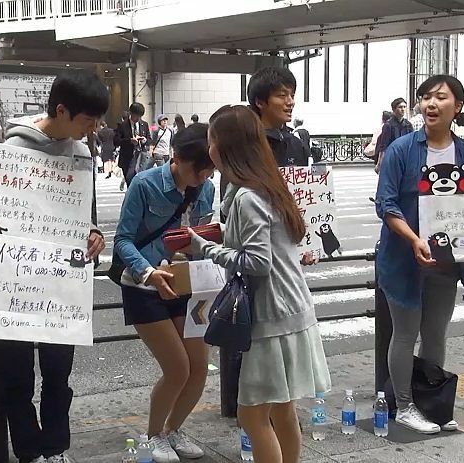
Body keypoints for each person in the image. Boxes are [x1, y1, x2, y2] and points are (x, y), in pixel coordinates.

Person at [0, 69, 109, 463]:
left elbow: (86, 216)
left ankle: (56, 449)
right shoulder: (12, 150)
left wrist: (95, 234)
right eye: (87, 121)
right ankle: (31, 453)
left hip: (62, 283)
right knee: (17, 377)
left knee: (58, 375)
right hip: (17, 281)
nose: (92, 130)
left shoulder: (82, 154)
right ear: (62, 111)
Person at [190, 105, 330, 463]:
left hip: (272, 316)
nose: (209, 150)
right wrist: (220, 235)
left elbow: (257, 263)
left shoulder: (249, 197)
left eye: (212, 141)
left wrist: (207, 248)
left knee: (252, 414)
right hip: (293, 309)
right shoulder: (265, 187)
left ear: (225, 148)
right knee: (282, 410)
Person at [375, 74, 464, 435]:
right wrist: (413, 240)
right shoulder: (402, 149)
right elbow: (387, 204)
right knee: (405, 333)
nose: (430, 104)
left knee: (436, 333)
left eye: (440, 97)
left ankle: (432, 402)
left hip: (447, 260)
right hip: (404, 258)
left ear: (457, 106)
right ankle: (405, 407)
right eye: (425, 97)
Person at [114, 123, 215, 463]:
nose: (202, 176)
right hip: (144, 285)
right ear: (176, 157)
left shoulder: (207, 188)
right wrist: (148, 271)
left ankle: (174, 429)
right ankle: (153, 435)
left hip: (186, 283)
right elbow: (123, 240)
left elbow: (203, 236)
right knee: (177, 368)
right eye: (196, 169)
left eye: (208, 169)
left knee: (199, 365)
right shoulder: (145, 184)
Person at [241, 66, 316, 266]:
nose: (290, 102)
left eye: (292, 95)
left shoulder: (295, 144)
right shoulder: (244, 145)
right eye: (282, 95)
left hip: (288, 251)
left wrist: (305, 246)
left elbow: (302, 199)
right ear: (259, 101)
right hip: (255, 251)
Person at [114, 102, 150, 189]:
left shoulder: (144, 124)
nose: (138, 118)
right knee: (130, 182)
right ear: (131, 113)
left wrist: (144, 140)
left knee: (140, 182)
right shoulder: (122, 125)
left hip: (141, 157)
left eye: (140, 116)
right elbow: (116, 141)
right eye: (136, 116)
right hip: (127, 158)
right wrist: (129, 141)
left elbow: (149, 139)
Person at [375, 97, 413, 173]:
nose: (403, 109)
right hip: (392, 158)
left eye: (404, 107)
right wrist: (379, 163)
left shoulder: (408, 124)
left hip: (405, 158)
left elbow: (412, 143)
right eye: (400, 107)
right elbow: (383, 146)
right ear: (394, 109)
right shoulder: (388, 125)